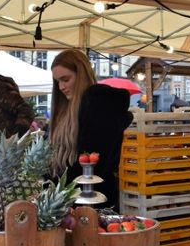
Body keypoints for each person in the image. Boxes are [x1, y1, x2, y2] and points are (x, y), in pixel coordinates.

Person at [49, 49, 133, 209]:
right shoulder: (65, 110)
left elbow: (91, 160)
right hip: (68, 199)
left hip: (91, 199)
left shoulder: (96, 102)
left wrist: (52, 188)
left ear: (81, 73)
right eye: (57, 81)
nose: (60, 86)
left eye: (65, 79)